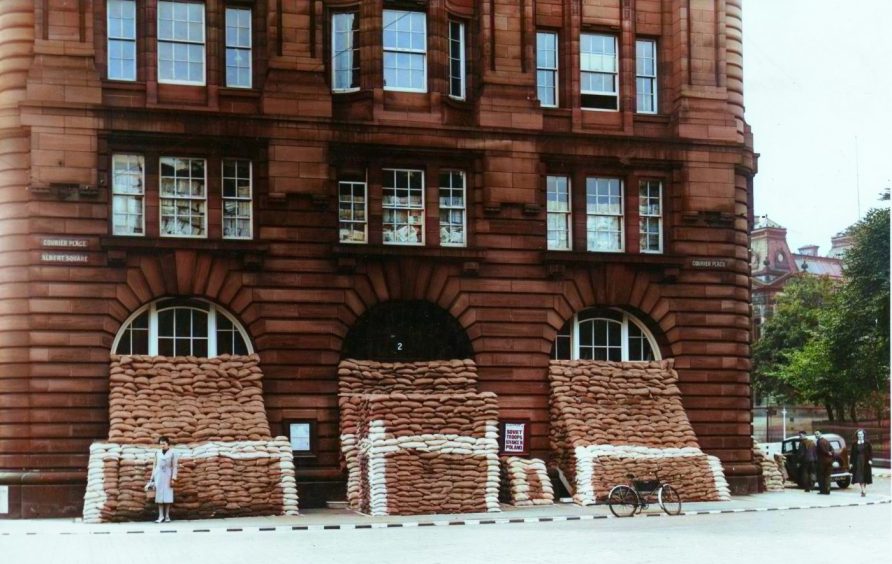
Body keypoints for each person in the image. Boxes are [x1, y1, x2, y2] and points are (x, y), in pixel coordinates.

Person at [145, 436, 178, 523]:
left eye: (164, 444)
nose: (162, 446)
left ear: (168, 444)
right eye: (161, 444)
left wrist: (173, 478)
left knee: (167, 496)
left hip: (167, 475)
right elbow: (154, 465)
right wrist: (152, 477)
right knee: (159, 496)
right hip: (158, 475)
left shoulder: (173, 453)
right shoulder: (157, 453)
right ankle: (160, 516)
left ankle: (167, 516)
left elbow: (174, 466)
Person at [849, 428, 873, 497]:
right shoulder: (854, 444)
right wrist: (851, 463)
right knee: (859, 476)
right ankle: (863, 490)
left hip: (865, 462)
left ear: (863, 435)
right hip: (857, 462)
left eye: (861, 434)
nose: (860, 435)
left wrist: (870, 460)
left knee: (865, 476)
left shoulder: (867, 443)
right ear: (857, 435)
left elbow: (871, 452)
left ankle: (863, 489)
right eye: (859, 434)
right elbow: (852, 454)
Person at [814, 430, 834, 495]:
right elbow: (832, 449)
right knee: (827, 476)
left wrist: (827, 452)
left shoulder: (819, 442)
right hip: (829, 461)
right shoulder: (826, 441)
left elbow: (822, 450)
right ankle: (828, 490)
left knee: (821, 476)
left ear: (821, 434)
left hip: (822, 461)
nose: (816, 435)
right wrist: (831, 453)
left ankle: (823, 490)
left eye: (817, 434)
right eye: (815, 434)